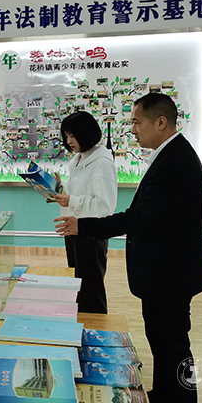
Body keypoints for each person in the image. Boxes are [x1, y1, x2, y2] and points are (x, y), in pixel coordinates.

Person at [54, 93, 202, 403]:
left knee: (172, 345)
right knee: (162, 342)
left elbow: (137, 217)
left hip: (170, 273)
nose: (133, 129)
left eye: (137, 123)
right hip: (165, 271)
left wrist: (83, 226)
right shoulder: (170, 155)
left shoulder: (174, 163)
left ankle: (178, 397)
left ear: (161, 122)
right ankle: (163, 393)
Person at [53, 111, 117, 314]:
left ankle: (96, 328)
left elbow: (105, 206)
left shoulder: (102, 162)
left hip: (90, 233)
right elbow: (80, 193)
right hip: (74, 230)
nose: (69, 141)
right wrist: (60, 187)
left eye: (73, 135)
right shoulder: (79, 159)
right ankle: (80, 325)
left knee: (91, 290)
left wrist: (71, 200)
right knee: (79, 286)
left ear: (87, 133)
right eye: (66, 136)